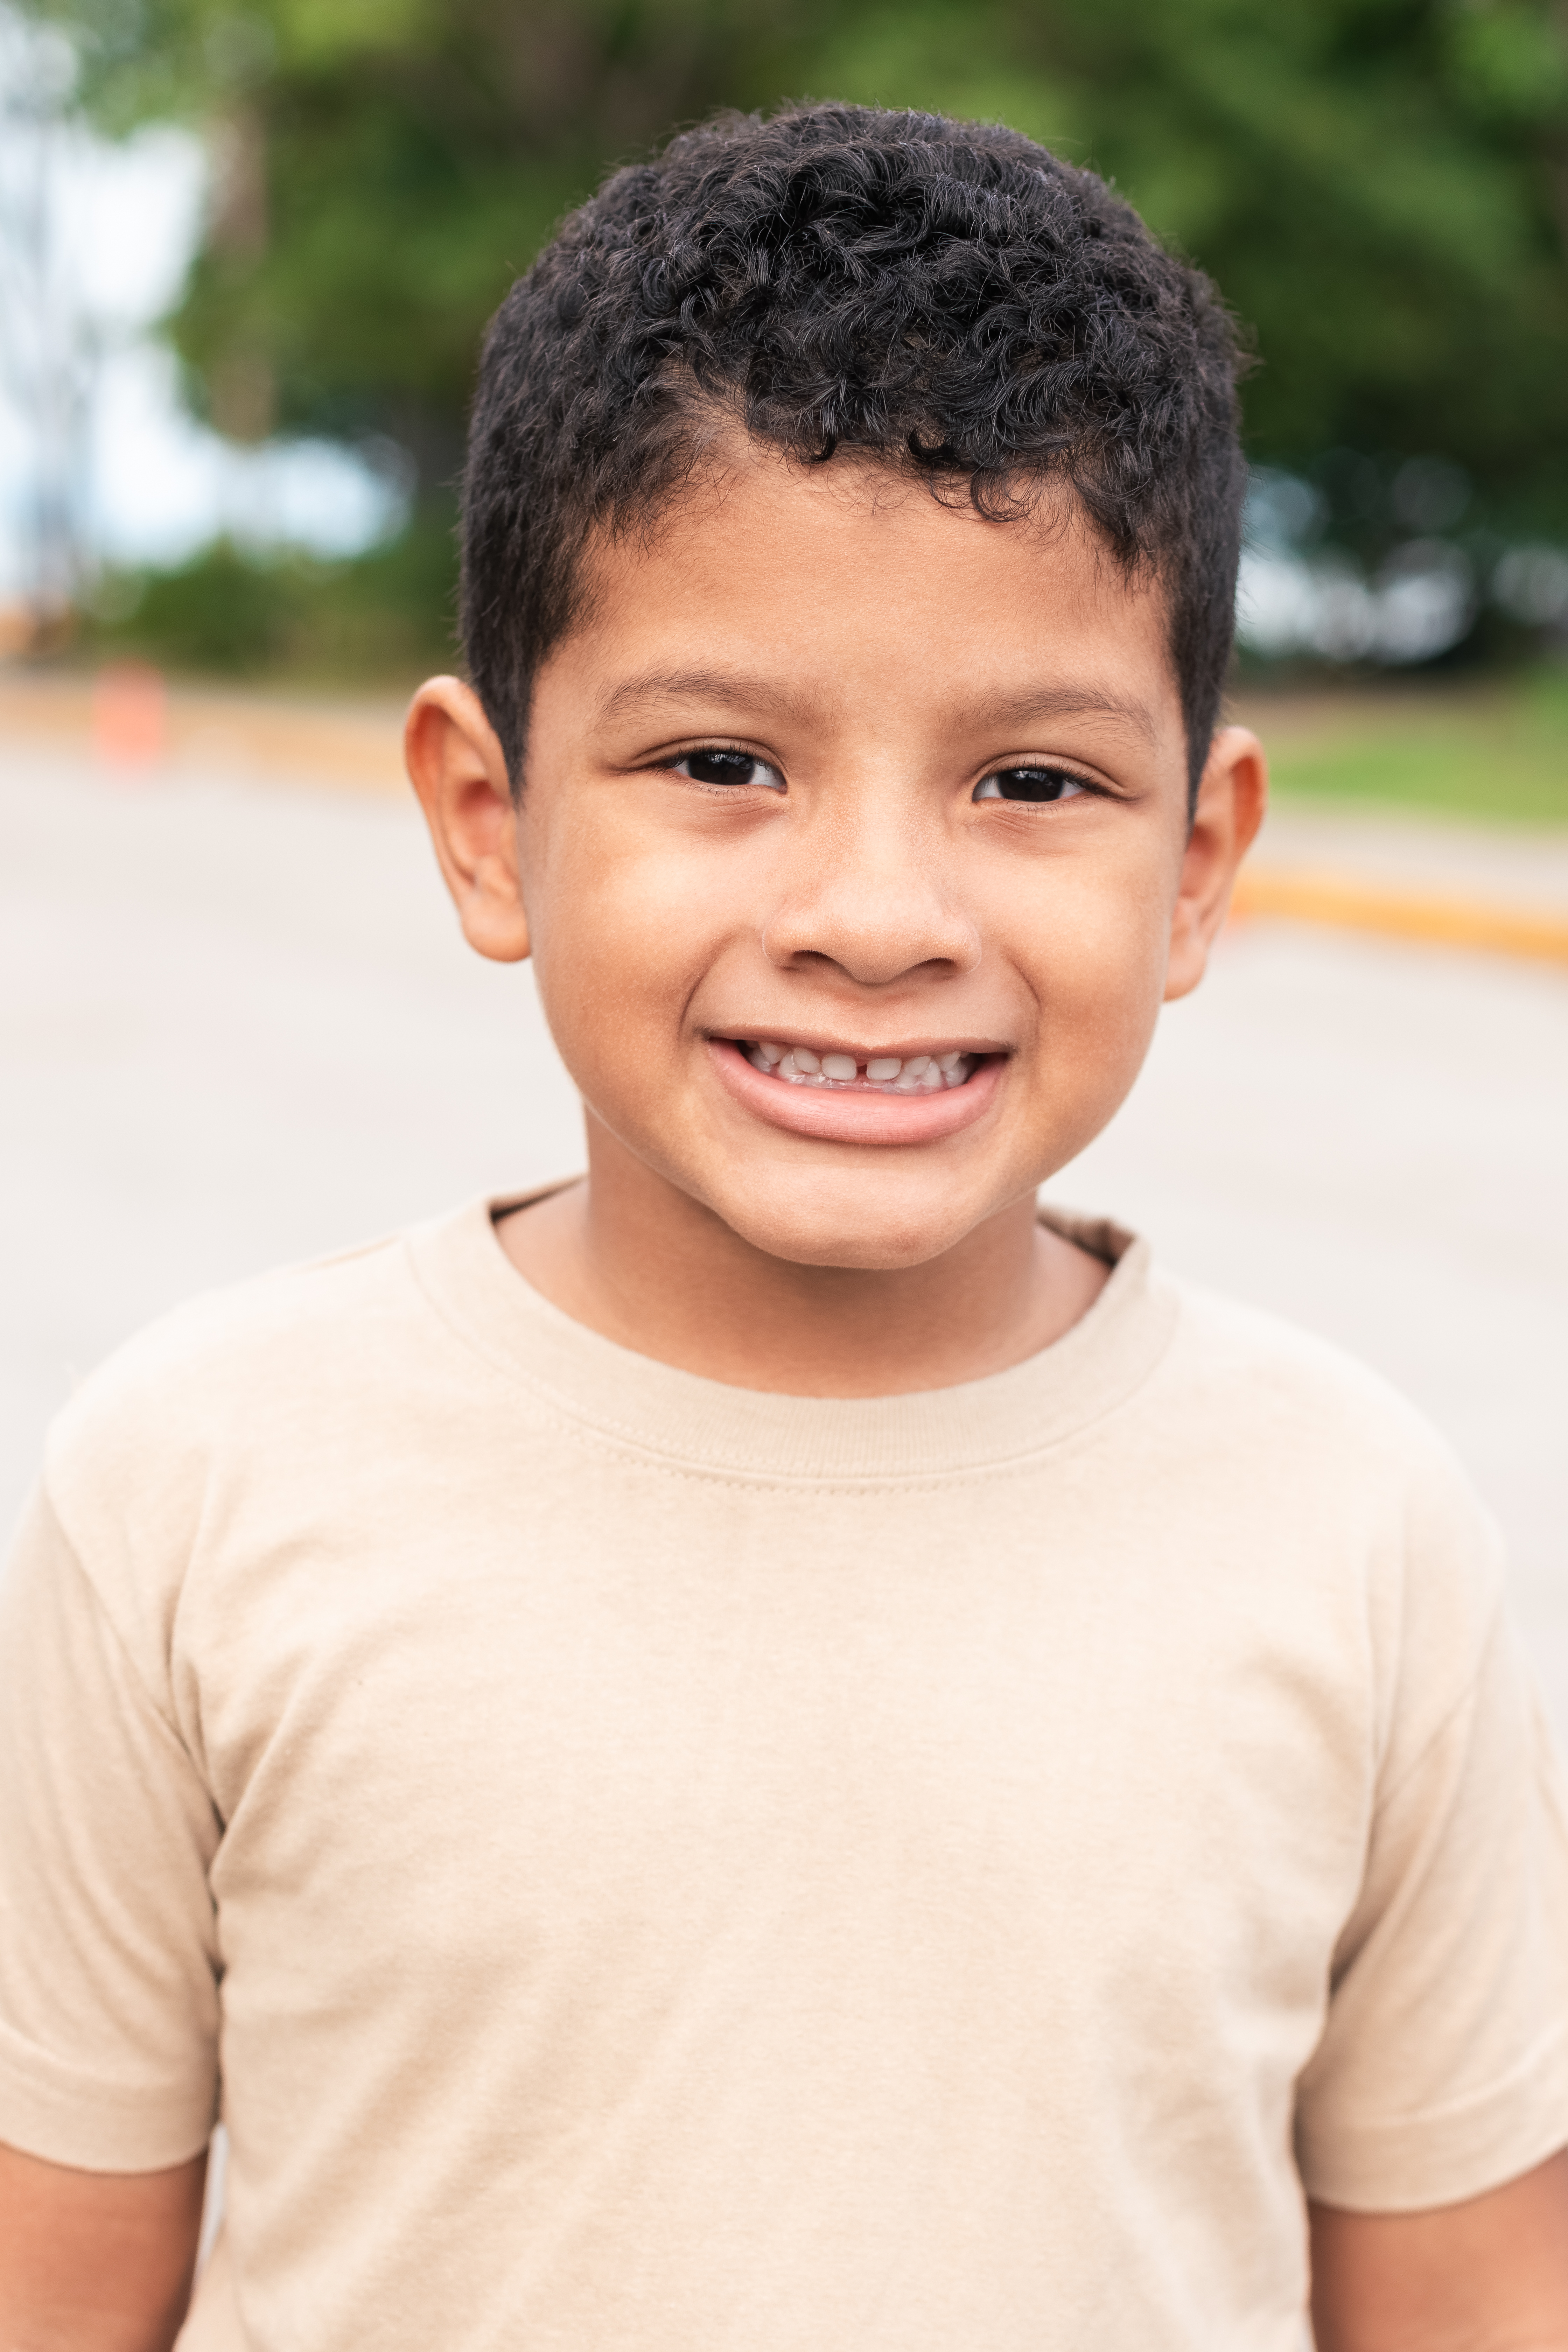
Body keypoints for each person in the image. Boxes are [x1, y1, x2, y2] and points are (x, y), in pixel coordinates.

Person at [1, 103, 1564, 2352]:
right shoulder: (194, 1489)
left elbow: (1477, 2300)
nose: (873, 919)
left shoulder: (1359, 1534)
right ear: (487, 819)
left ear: (1200, 861)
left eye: (1034, 782)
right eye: (723, 762)